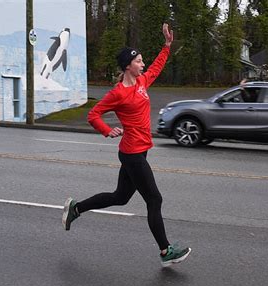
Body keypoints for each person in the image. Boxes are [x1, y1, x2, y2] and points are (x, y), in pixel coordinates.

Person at [62, 23, 191, 268]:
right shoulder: (118, 93)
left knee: (120, 197)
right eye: (139, 61)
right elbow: (93, 115)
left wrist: (166, 46)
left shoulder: (142, 82)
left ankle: (76, 208)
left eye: (142, 61)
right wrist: (108, 130)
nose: (143, 64)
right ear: (128, 66)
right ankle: (166, 251)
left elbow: (157, 67)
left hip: (138, 151)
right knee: (154, 199)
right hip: (132, 154)